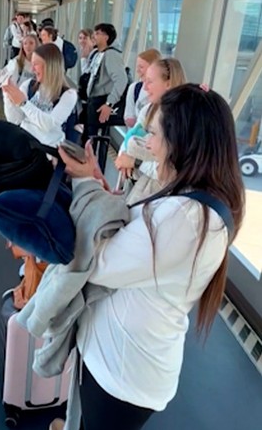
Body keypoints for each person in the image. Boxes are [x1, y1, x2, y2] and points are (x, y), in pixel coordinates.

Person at [53, 84, 245, 430]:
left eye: (154, 133)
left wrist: (84, 186)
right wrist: (98, 182)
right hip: (121, 360)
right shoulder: (194, 201)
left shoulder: (185, 219)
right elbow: (138, 239)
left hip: (121, 372)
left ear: (181, 142)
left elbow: (99, 263)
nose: (149, 142)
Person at [115, 58, 186, 204]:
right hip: (141, 186)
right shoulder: (149, 110)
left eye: (150, 81)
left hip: (162, 197)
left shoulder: (181, 119)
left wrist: (135, 162)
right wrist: (124, 158)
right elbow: (131, 137)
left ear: (168, 83)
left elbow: (171, 169)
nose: (145, 87)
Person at [1, 43, 78, 147]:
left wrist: (23, 103)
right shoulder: (28, 85)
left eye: (36, 64)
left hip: (45, 150)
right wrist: (8, 96)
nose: (32, 69)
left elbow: (49, 125)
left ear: (50, 65)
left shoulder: (68, 95)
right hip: (24, 142)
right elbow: (15, 120)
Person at [85, 23, 129, 168]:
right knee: (90, 139)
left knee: (97, 140)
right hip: (94, 101)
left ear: (106, 37)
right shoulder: (98, 54)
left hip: (102, 102)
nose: (94, 36)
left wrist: (109, 103)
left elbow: (121, 79)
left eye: (98, 33)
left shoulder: (111, 55)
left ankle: (96, 171)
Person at [122, 49, 161, 128]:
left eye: (141, 67)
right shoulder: (135, 88)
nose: (137, 71)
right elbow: (128, 118)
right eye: (137, 67)